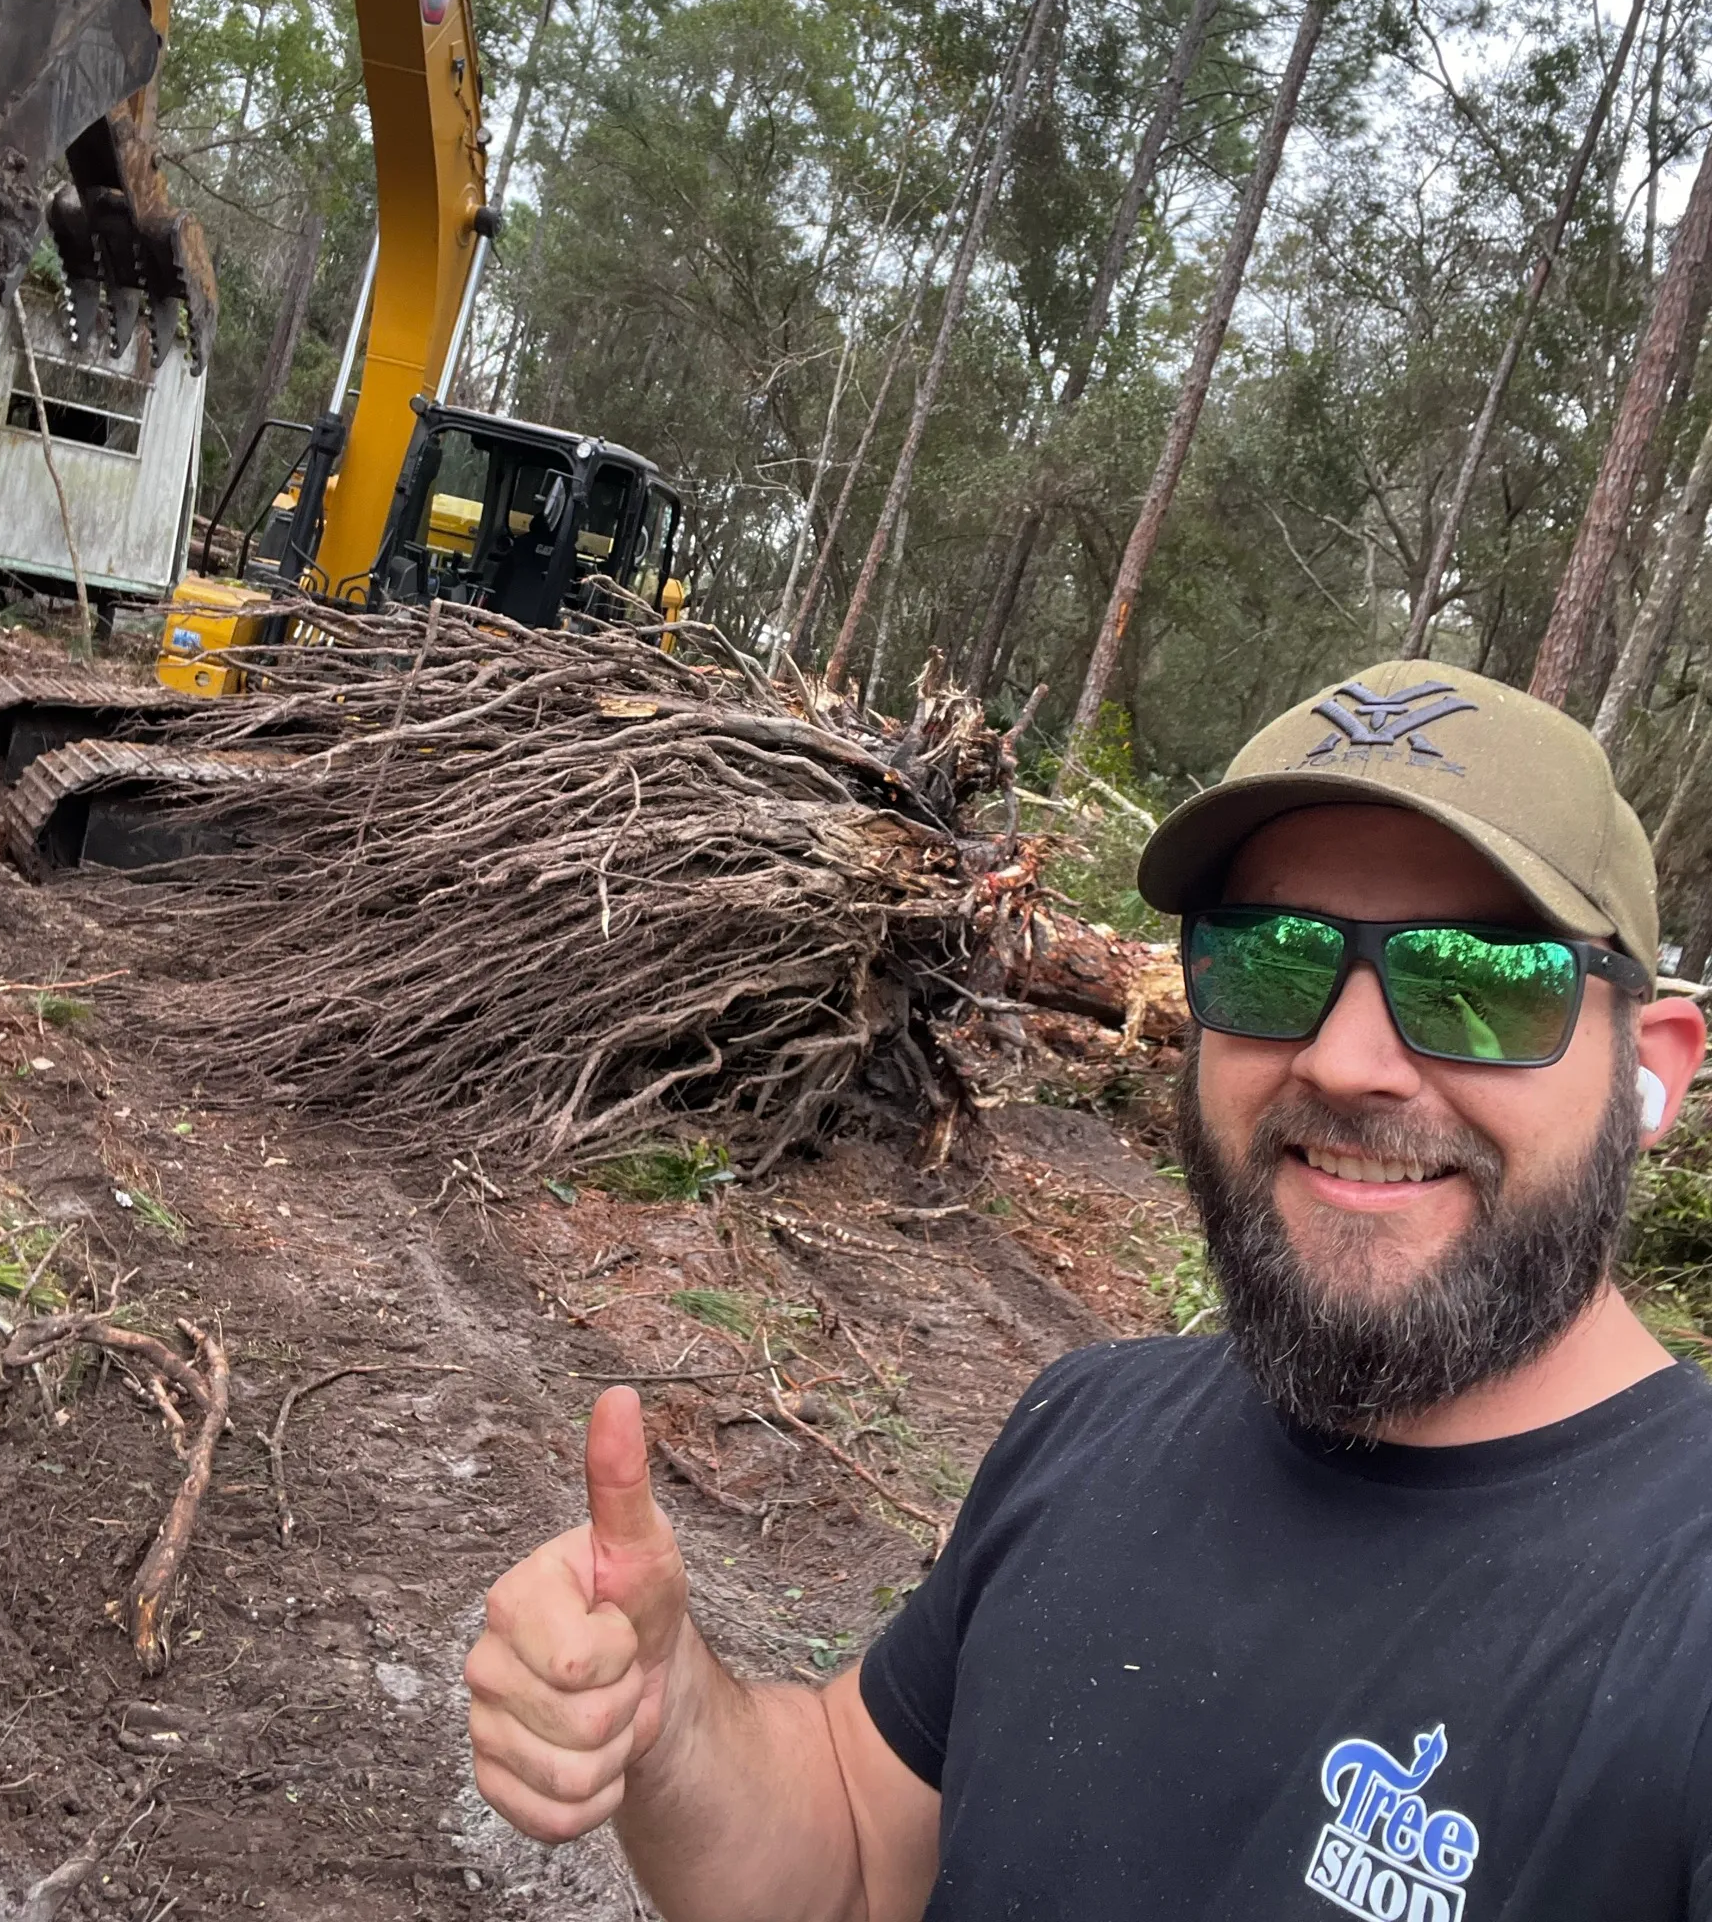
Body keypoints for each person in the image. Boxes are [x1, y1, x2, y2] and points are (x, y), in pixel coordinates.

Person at [464, 661, 1712, 1921]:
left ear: (1650, 1072)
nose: (1346, 1058)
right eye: (1273, 961)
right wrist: (671, 1711)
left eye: (1477, 982)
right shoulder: (1087, 1428)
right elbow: (848, 1862)